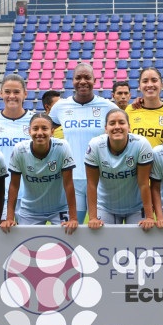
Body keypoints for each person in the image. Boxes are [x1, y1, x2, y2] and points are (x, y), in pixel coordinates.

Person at [48, 63, 117, 223]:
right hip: (72, 178)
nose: (83, 81)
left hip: (101, 179)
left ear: (95, 80)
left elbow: (122, 129)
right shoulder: (60, 107)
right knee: (73, 229)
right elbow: (45, 131)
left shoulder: (107, 107)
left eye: (87, 77)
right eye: (78, 77)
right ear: (72, 81)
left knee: (101, 230)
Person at [0, 113, 78, 234]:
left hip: (59, 209)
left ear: (52, 131)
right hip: (30, 210)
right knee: (26, 248)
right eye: (35, 129)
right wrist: (9, 218)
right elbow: (14, 186)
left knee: (66, 245)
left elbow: (68, 184)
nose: (40, 133)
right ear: (29, 131)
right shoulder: (19, 149)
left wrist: (73, 218)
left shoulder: (62, 146)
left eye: (45, 128)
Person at [85, 109, 155, 230]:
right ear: (106, 128)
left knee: (139, 245)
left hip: (136, 207)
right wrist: (92, 218)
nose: (117, 127)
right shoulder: (95, 145)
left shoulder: (141, 144)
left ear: (129, 127)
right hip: (105, 207)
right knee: (103, 244)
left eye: (121, 122)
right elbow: (92, 184)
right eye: (112, 123)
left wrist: (149, 217)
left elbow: (144, 183)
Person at [0, 74, 34, 220]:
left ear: (25, 94)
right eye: (7, 92)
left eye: (16, 92)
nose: (12, 96)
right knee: (1, 240)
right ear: (1, 94)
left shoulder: (35, 121)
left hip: (29, 195)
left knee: (29, 241)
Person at [126, 67, 163, 147]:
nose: (150, 84)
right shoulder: (130, 110)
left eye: (154, 80)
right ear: (139, 86)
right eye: (145, 81)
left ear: (161, 85)